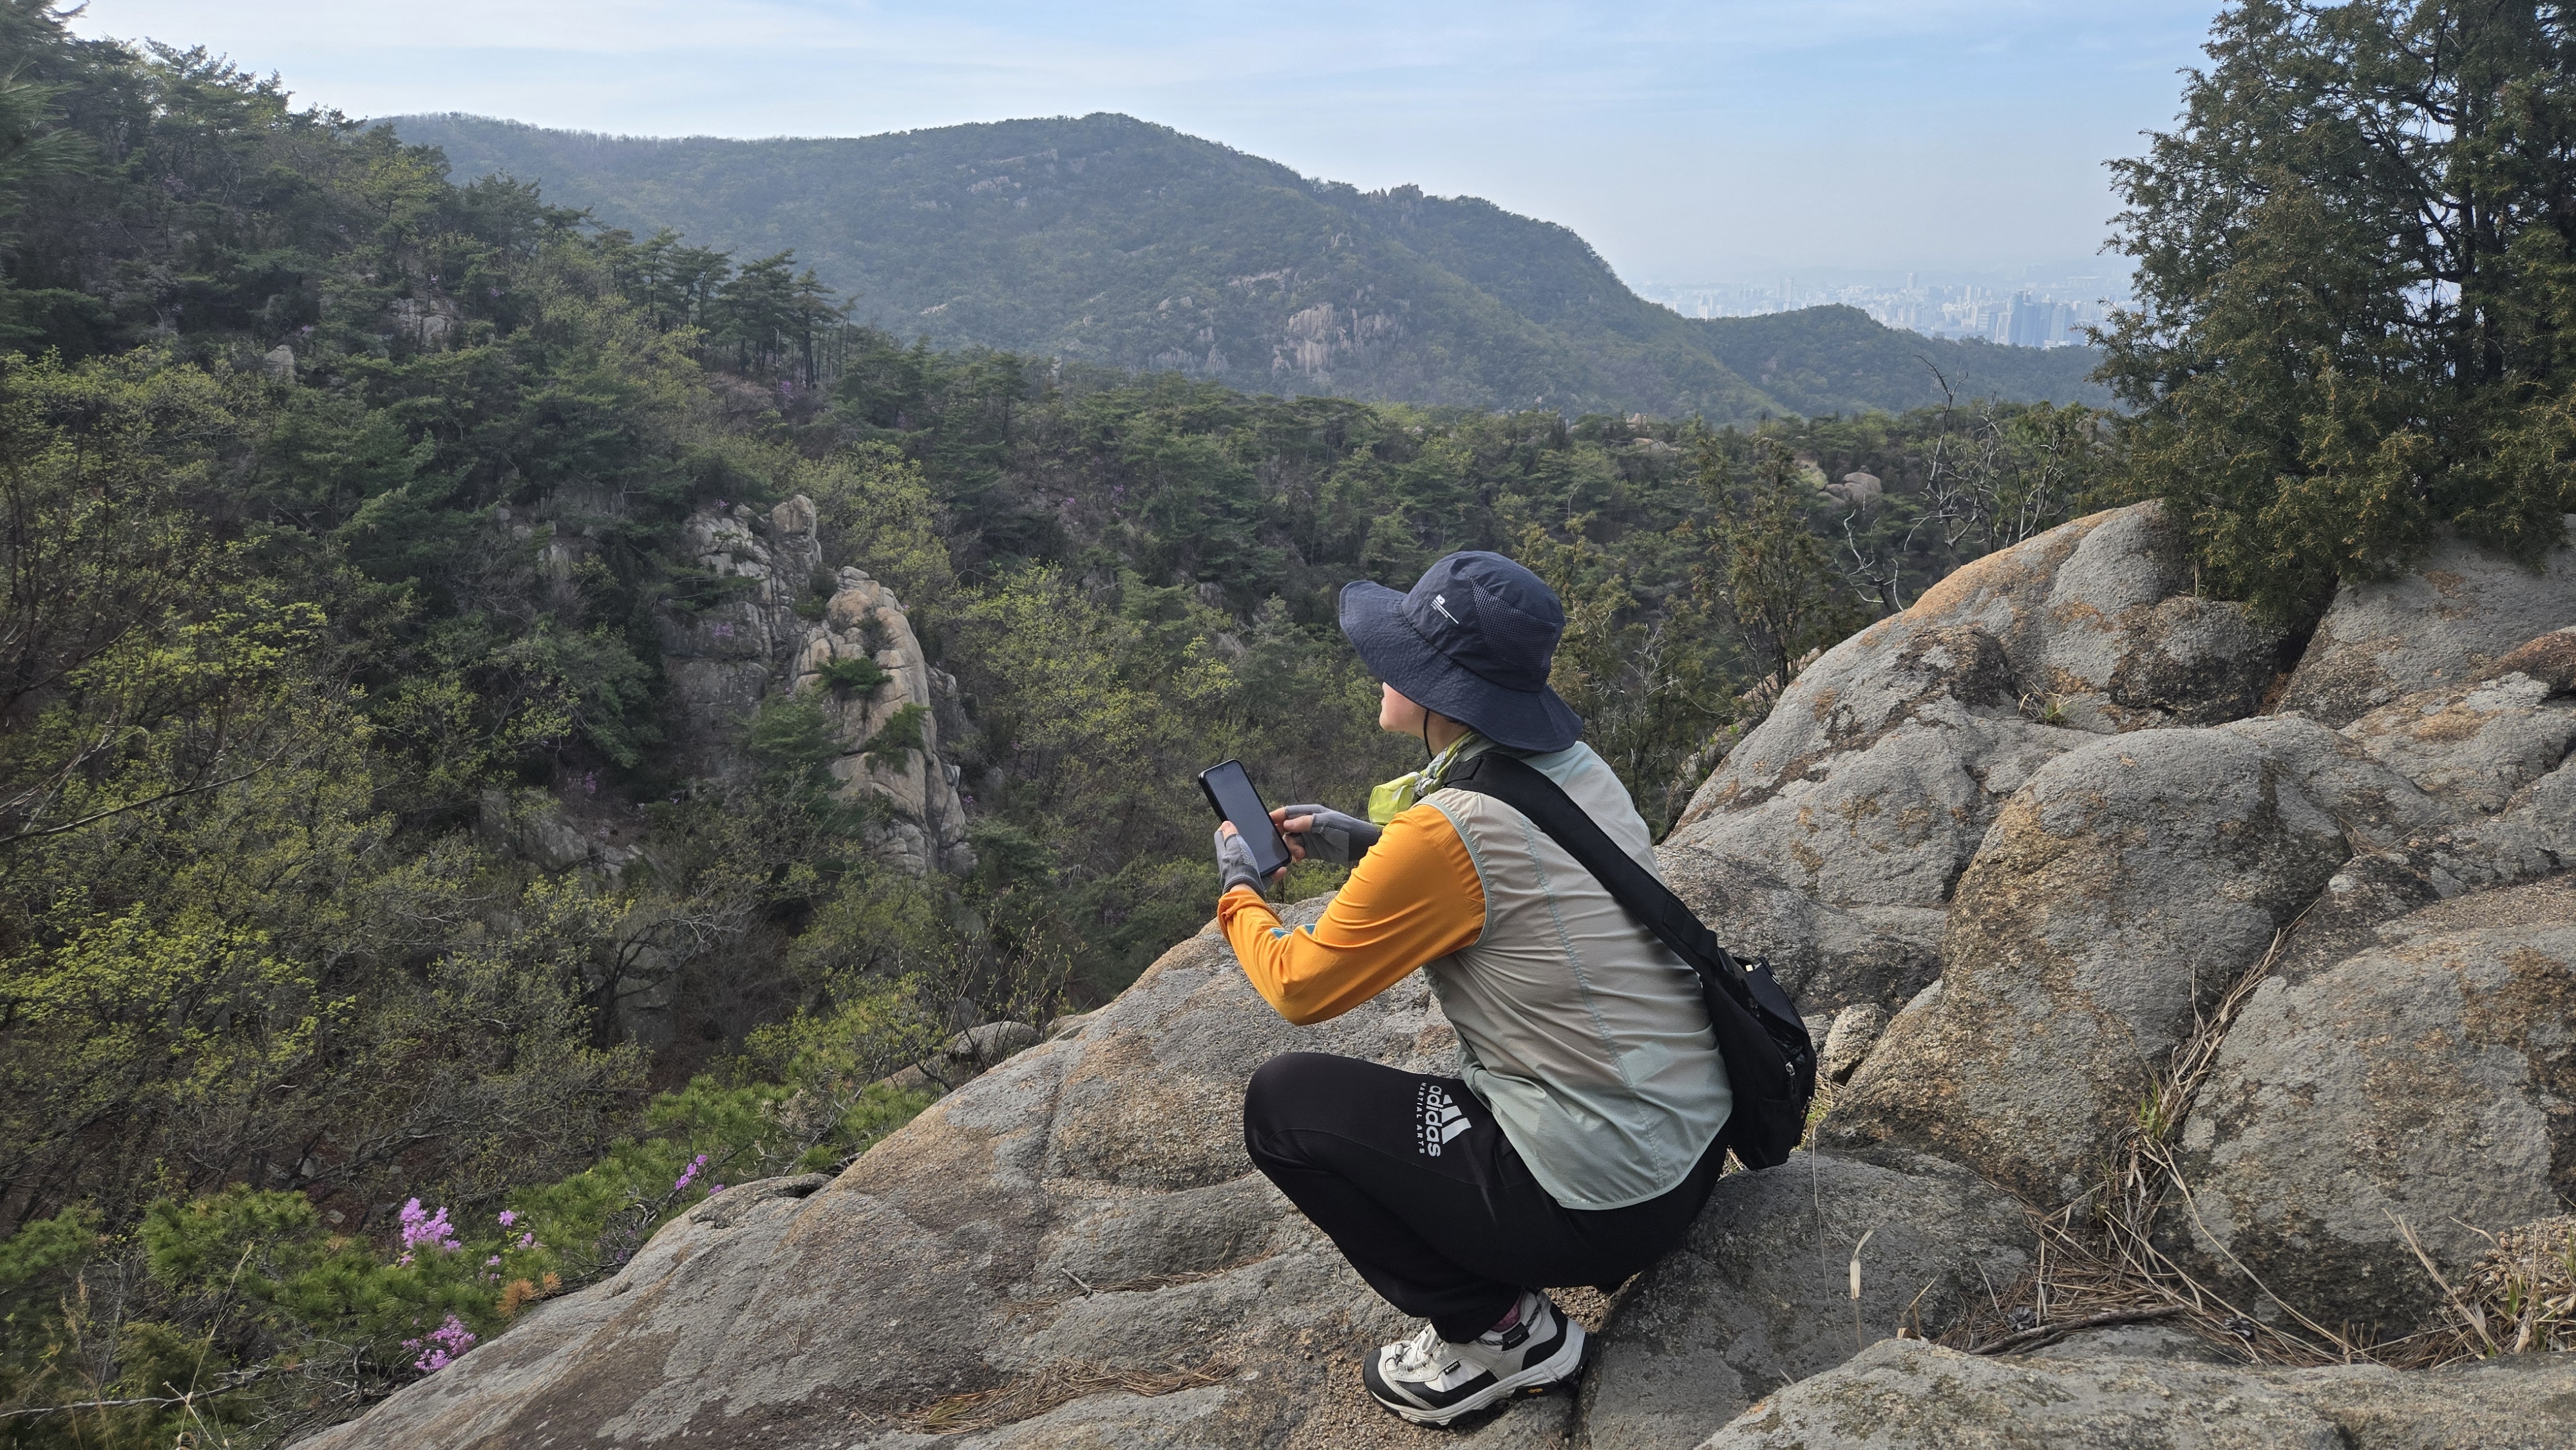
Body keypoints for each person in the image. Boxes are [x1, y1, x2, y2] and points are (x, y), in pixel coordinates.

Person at [1210, 551, 1731, 1427]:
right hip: (1686, 1151)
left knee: (1285, 1107)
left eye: (1402, 655)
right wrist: (1362, 840)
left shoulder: (1449, 831)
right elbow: (1516, 861)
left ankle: (1501, 1337)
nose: (1382, 666)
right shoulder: (1571, 767)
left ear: (1440, 686)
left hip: (1608, 1198)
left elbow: (1298, 985)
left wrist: (1238, 891)